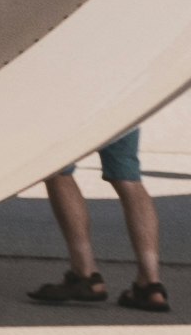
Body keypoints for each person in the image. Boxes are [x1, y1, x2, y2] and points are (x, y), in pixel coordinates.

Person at [26, 130, 169, 312]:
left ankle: (85, 274)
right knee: (128, 177)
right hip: (119, 104)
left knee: (58, 171)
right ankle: (151, 284)